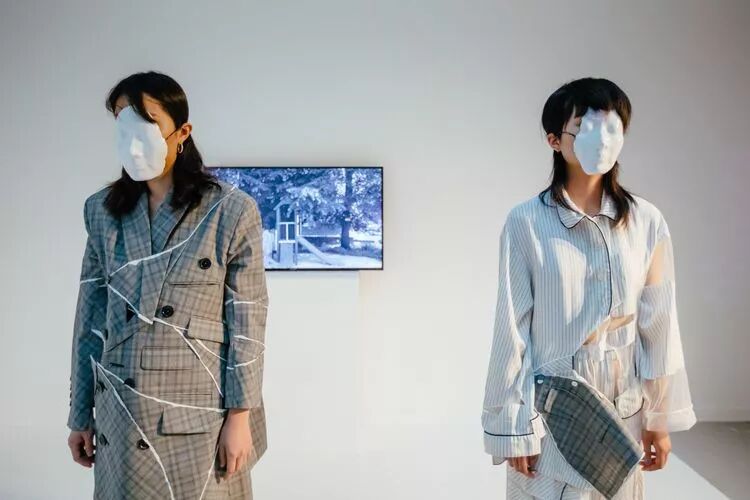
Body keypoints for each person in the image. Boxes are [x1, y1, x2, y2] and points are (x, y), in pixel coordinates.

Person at [481, 77, 697, 499]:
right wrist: (514, 426)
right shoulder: (526, 223)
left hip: (623, 414)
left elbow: (659, 327)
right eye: (585, 127)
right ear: (554, 140)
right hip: (552, 414)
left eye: (612, 126)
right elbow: (512, 329)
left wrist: (658, 418)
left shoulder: (647, 222)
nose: (602, 139)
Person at [66, 71, 269, 499]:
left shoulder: (230, 211)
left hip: (199, 415)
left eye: (146, 121)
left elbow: (247, 324)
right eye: (122, 122)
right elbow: (90, 320)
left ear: (182, 132)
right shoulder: (102, 212)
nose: (132, 137)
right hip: (122, 414)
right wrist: (80, 415)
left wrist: (240, 416)